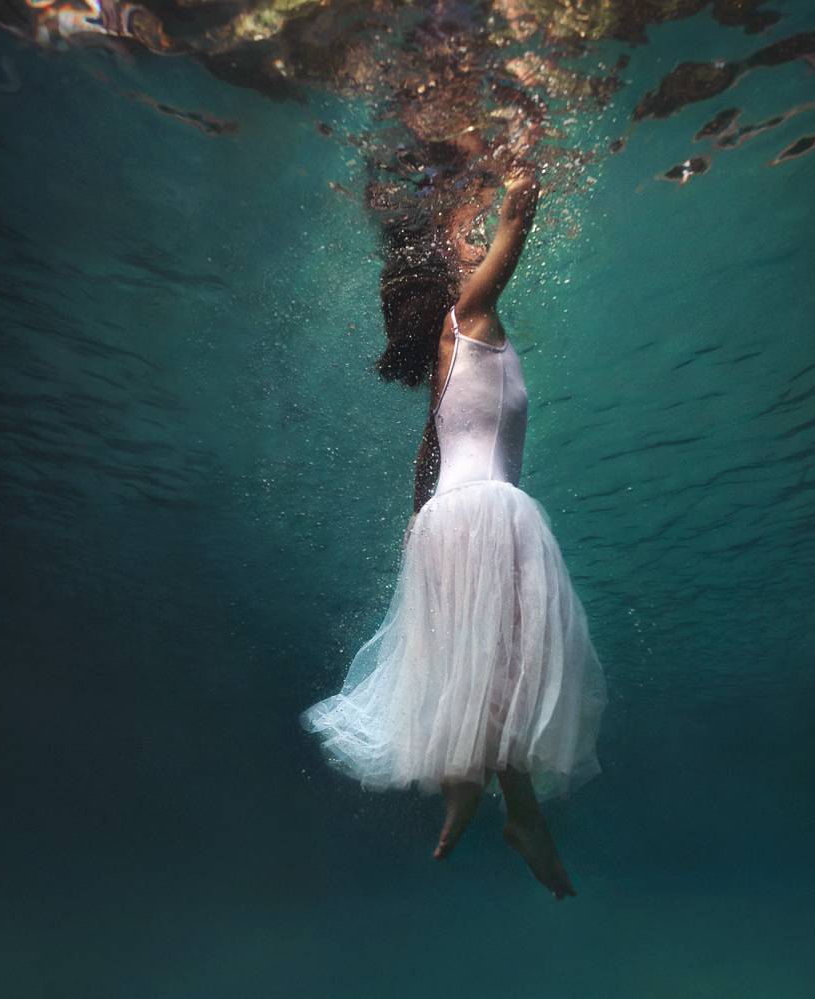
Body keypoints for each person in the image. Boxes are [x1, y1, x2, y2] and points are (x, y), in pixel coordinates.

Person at [301, 166, 607, 900]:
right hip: (484, 513)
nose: (470, 244)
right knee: (500, 666)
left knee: (481, 667)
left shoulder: (450, 346)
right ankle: (514, 811)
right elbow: (517, 225)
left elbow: (429, 453)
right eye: (459, 245)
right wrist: (524, 159)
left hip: (447, 520)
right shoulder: (469, 313)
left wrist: (418, 531)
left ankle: (468, 788)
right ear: (449, 276)